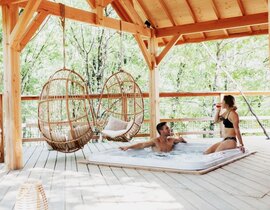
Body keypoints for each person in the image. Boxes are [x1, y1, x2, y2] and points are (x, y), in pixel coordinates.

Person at [119, 122, 187, 152]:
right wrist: (128, 147)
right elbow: (142, 144)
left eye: (169, 128)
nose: (169, 129)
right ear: (161, 131)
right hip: (157, 159)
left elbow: (181, 140)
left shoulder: (171, 140)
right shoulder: (155, 141)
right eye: (167, 128)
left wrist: (181, 139)